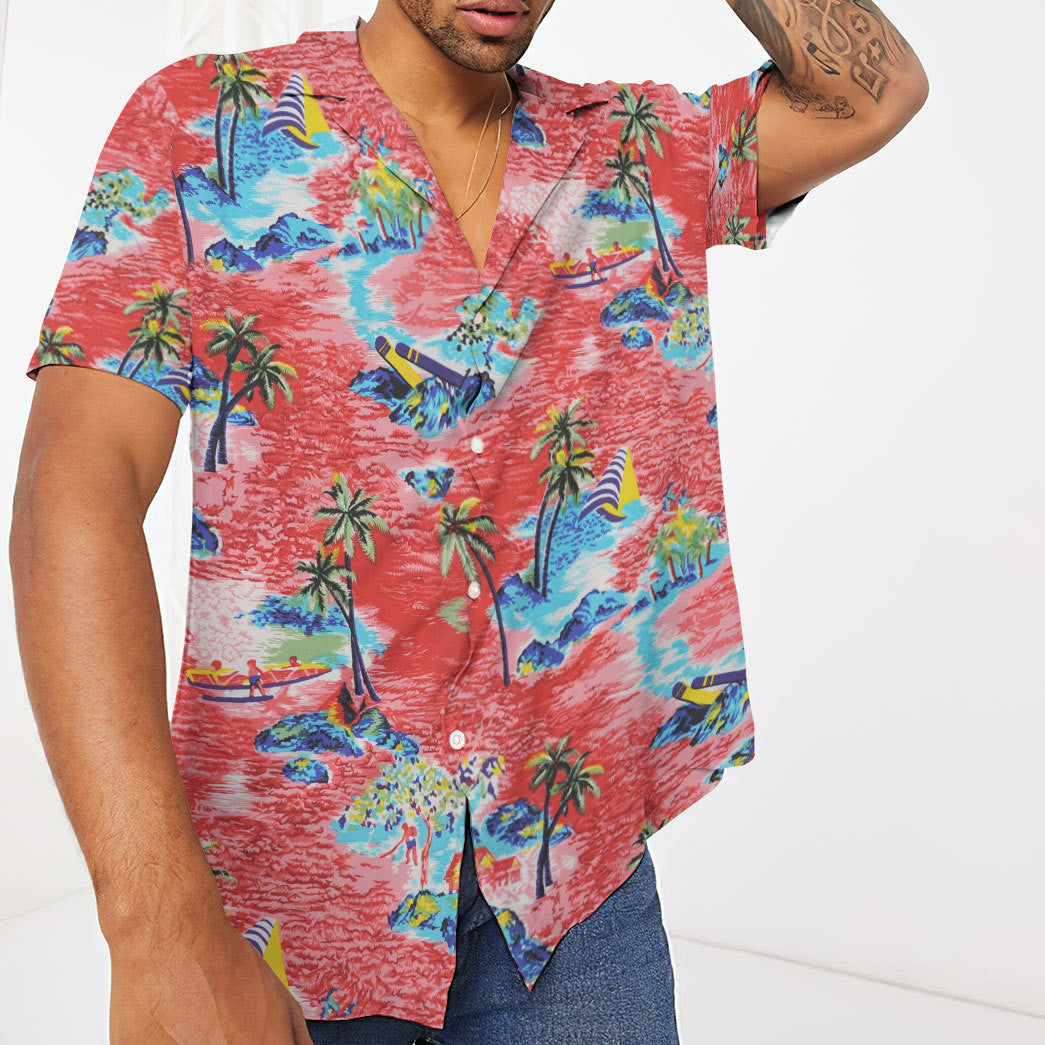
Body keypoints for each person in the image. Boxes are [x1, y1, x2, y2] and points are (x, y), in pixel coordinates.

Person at [9, 1, 928, 1043]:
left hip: (568, 891)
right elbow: (73, 491)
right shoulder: (203, 123)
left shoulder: (629, 149)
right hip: (284, 902)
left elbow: (874, 92)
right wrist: (158, 926)